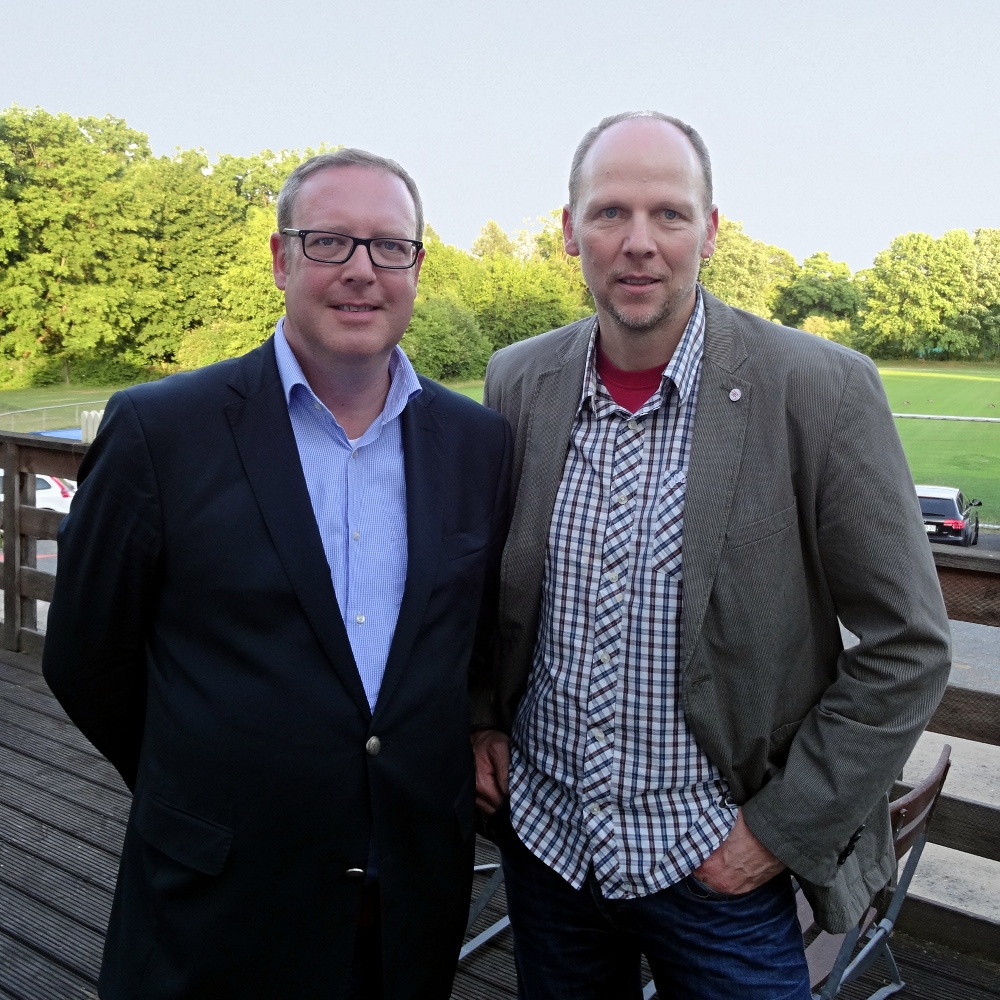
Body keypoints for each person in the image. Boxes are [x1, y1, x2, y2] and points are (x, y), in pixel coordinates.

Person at [471, 112, 950, 999]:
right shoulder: (518, 378)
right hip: (549, 852)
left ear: (712, 230)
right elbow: (486, 590)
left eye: (670, 213)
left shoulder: (819, 387)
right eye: (610, 212)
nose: (639, 242)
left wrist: (778, 831)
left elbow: (910, 646)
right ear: (569, 230)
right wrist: (481, 718)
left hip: (719, 869)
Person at [43, 149, 511, 1000]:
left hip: (406, 906)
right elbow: (84, 656)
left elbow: (469, 639)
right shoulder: (161, 430)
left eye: (390, 246)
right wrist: (200, 786)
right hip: (217, 908)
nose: (362, 270)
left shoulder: (477, 442)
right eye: (330, 241)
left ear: (416, 266)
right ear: (280, 258)